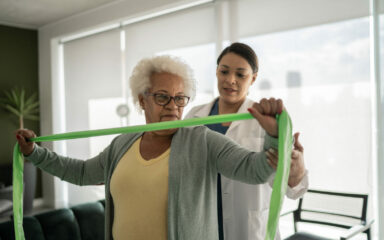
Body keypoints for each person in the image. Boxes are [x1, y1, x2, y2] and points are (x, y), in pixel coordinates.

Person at [16, 55, 287, 240]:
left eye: (180, 98)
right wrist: (35, 153)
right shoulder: (122, 143)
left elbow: (256, 170)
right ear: (142, 100)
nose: (172, 106)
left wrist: (274, 136)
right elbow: (82, 172)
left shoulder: (201, 140)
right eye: (162, 97)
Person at [185, 42, 308, 240]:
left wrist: (297, 172)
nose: (230, 80)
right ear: (217, 72)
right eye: (224, 72)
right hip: (203, 222)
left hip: (249, 228)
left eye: (240, 75)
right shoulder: (194, 116)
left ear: (253, 78)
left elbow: (292, 190)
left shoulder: (266, 120)